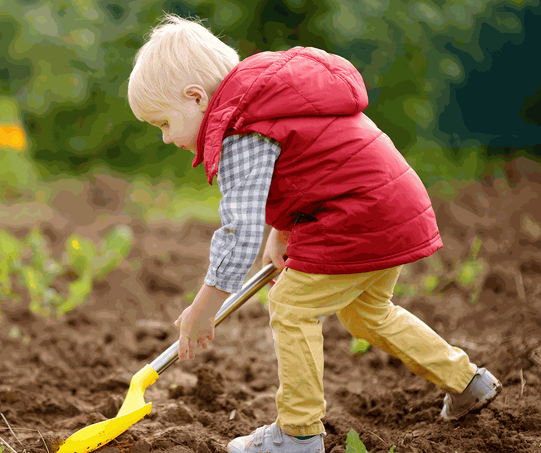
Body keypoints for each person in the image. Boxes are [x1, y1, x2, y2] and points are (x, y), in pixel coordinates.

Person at [126, 14, 502, 453]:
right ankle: (466, 382)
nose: (167, 139)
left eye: (164, 124)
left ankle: (298, 433)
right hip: (386, 205)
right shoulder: (267, 99)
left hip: (357, 216)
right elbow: (309, 168)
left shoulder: (240, 130)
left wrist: (204, 306)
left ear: (195, 98)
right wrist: (282, 233)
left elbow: (239, 228)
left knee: (291, 306)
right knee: (368, 314)